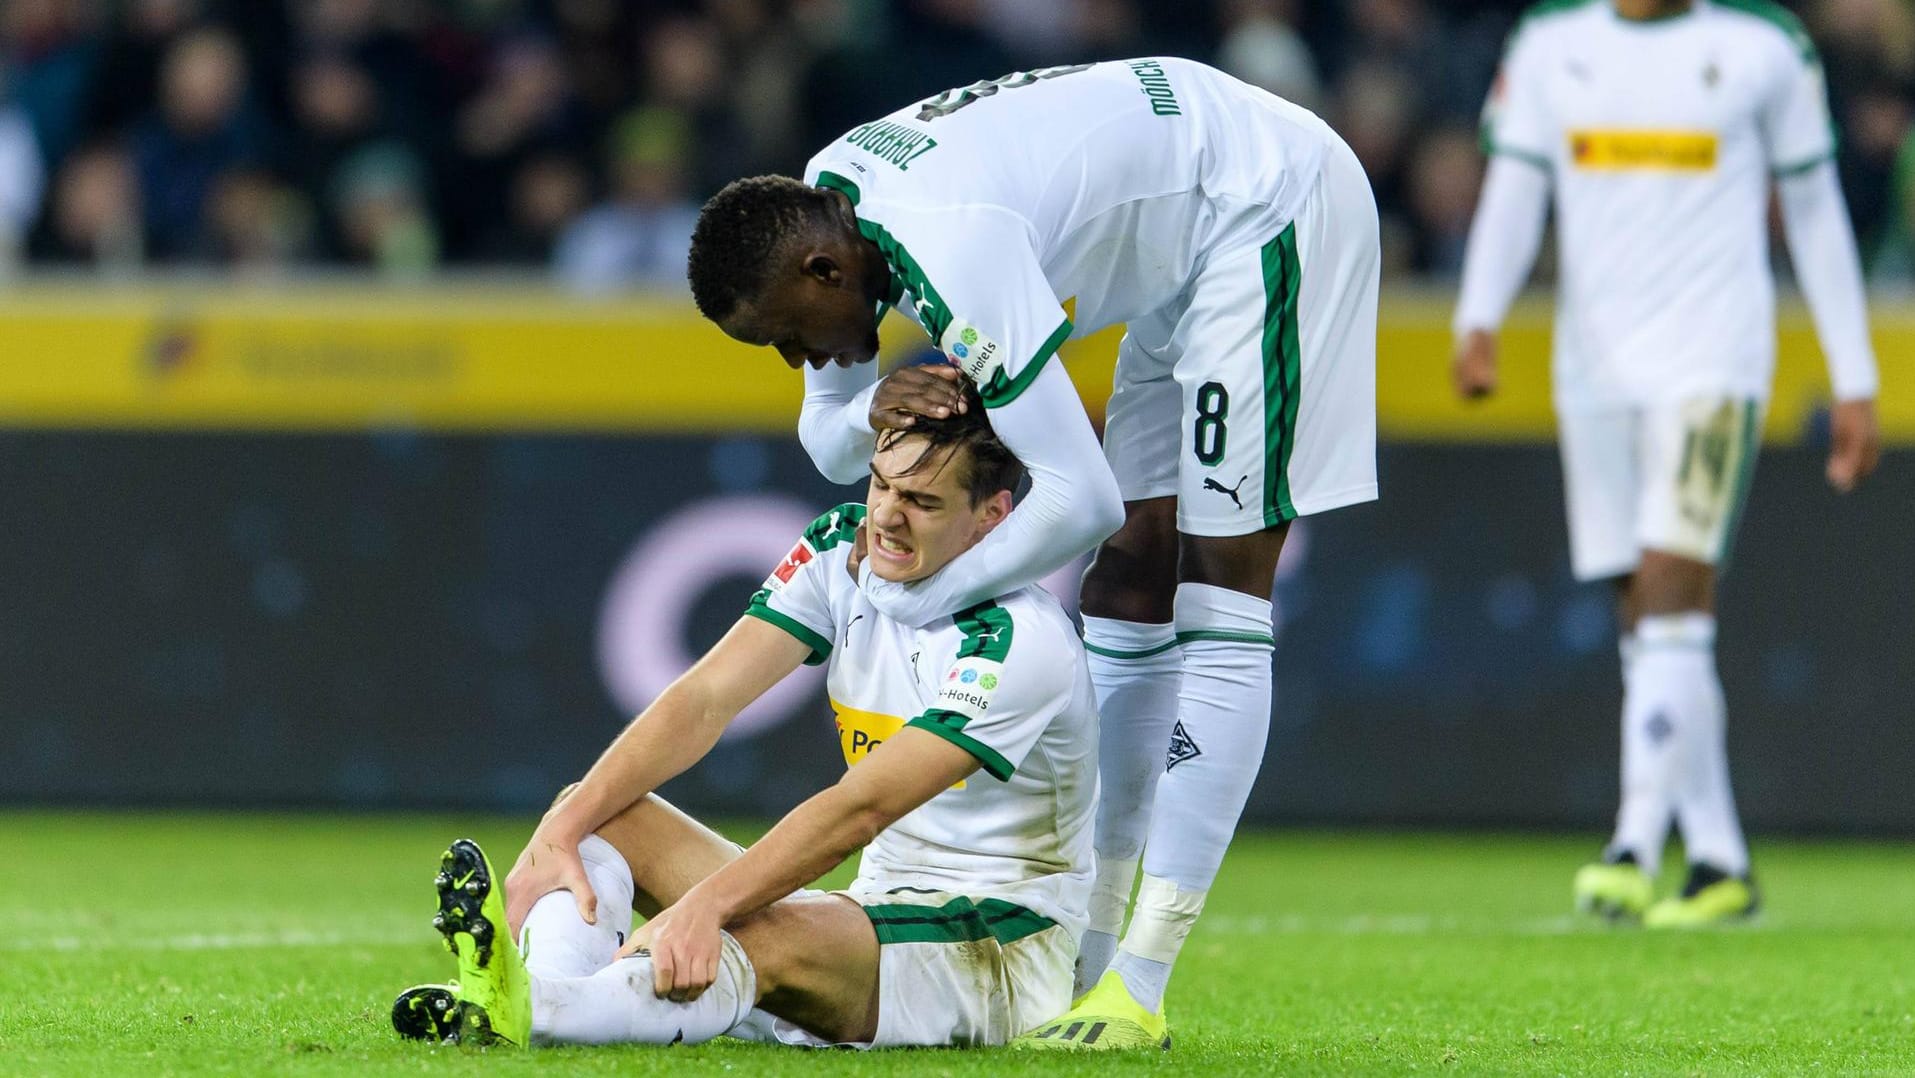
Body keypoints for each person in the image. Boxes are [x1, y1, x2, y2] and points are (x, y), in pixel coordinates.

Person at [685, 55, 1379, 1047]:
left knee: (1219, 577)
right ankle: (1087, 965)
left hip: (1266, 200)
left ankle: (1136, 984)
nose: (797, 360)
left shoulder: (948, 242)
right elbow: (831, 438)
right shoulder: (827, 198)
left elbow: (1077, 496)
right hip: (1178, 232)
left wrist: (919, 603)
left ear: (823, 274)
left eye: (787, 337)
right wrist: (877, 394)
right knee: (1132, 574)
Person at [390, 384, 1100, 1050]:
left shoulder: (1016, 640)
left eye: (922, 500)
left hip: (997, 945)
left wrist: (706, 906)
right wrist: (559, 831)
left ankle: (546, 1010)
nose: (886, 515)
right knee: (596, 812)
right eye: (880, 484)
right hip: (871, 911)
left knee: (760, 934)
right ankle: (533, 990)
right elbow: (703, 699)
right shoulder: (838, 551)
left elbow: (861, 808)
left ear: (992, 519)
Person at [1453, 0, 1881, 926]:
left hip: (1712, 362)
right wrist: (1476, 316)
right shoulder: (1549, 43)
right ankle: (1720, 860)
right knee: (1643, 614)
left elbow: (1813, 207)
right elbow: (1516, 188)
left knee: (1670, 582)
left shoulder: (1764, 48)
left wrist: (1854, 375)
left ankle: (1632, 842)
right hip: (1593, 370)